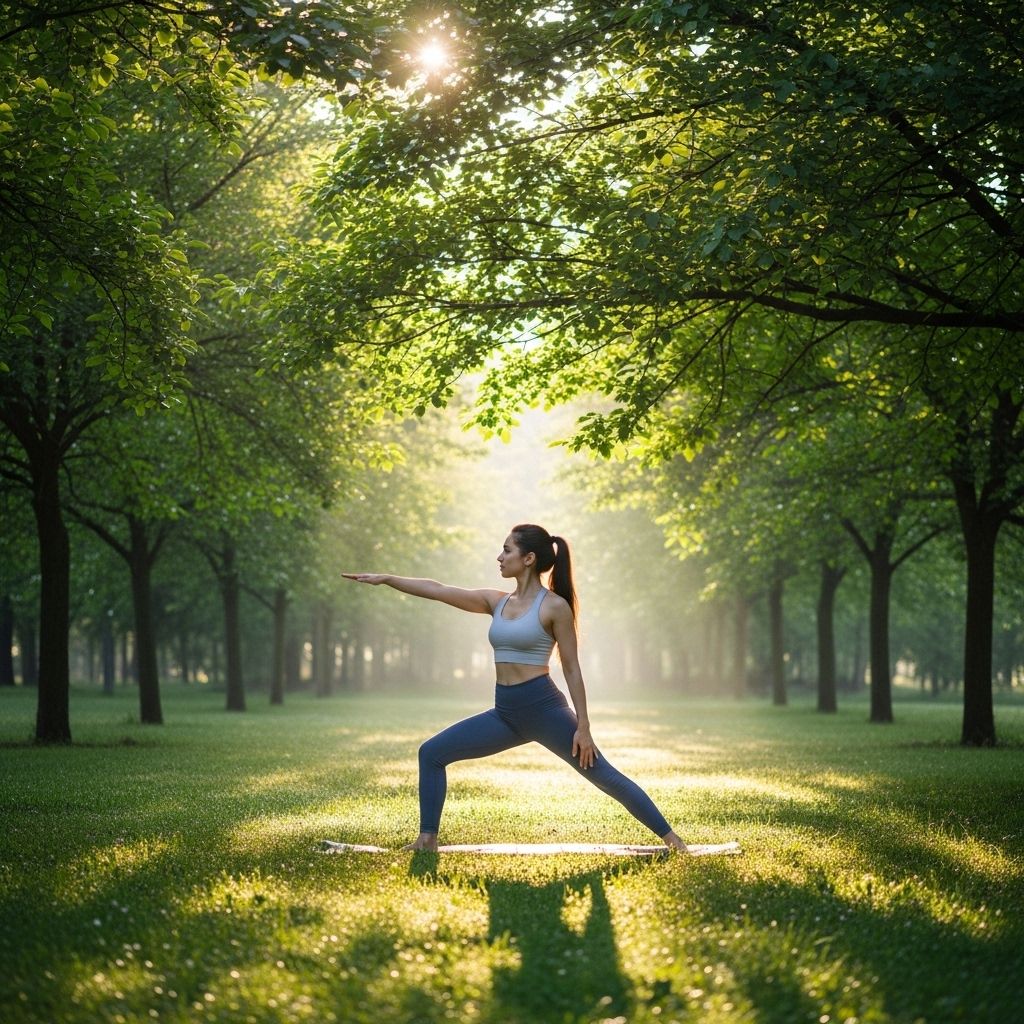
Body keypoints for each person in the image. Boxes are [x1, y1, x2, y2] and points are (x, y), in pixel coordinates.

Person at [342, 523, 689, 853]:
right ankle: (427, 839)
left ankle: (675, 842)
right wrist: (387, 579)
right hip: (505, 713)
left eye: (506, 550)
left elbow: (571, 667)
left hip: (544, 711)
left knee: (604, 776)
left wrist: (583, 727)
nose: (499, 556)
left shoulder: (554, 606)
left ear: (528, 558)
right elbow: (440, 590)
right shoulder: (497, 602)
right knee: (431, 753)